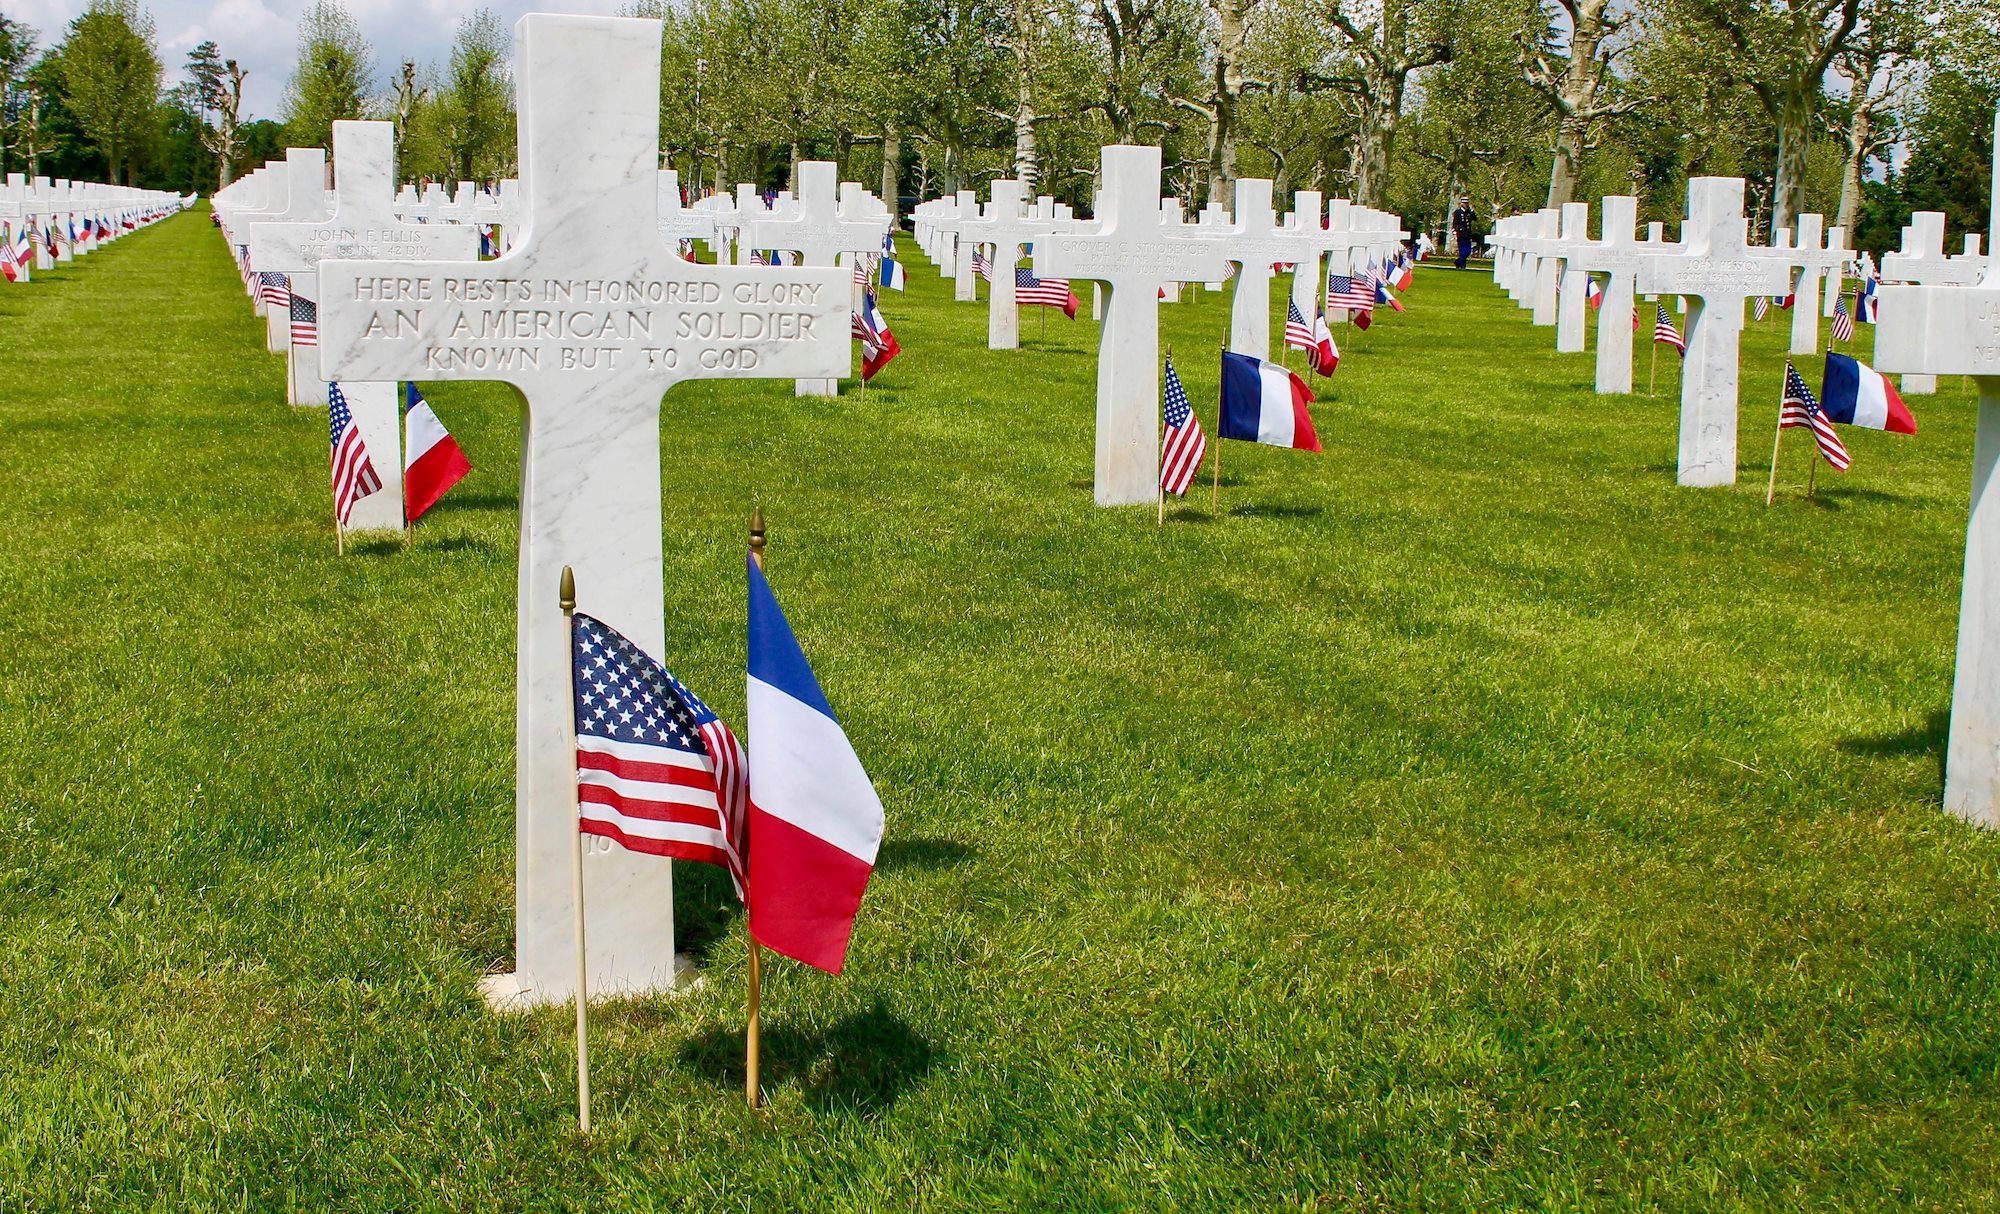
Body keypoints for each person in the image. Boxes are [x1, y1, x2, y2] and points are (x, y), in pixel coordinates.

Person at [1452, 198, 1476, 269]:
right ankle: (1463, 266)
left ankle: (1458, 262)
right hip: (1461, 234)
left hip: (1468, 234)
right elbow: (1455, 223)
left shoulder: (1469, 212)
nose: (1466, 205)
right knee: (1462, 251)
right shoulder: (1458, 212)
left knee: (1468, 251)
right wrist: (1455, 232)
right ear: (1462, 204)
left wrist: (1472, 211)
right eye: (1465, 203)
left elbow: (1475, 218)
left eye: (1467, 203)